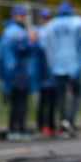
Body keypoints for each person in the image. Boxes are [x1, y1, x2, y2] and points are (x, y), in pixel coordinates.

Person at [42, 0, 81, 137]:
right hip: (74, 64)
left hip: (57, 65)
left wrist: (50, 65)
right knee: (76, 94)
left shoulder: (51, 25)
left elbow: (46, 46)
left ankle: (64, 120)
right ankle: (71, 119)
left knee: (60, 96)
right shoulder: (79, 22)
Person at [0, 6, 36, 140]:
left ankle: (13, 129)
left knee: (15, 102)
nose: (22, 18)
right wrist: (32, 40)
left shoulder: (6, 32)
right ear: (14, 16)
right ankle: (20, 130)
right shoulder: (17, 32)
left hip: (10, 72)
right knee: (21, 102)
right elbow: (25, 49)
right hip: (19, 71)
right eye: (21, 16)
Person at [32, 8, 56, 136]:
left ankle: (51, 124)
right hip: (42, 70)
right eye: (43, 18)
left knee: (52, 99)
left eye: (47, 18)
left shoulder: (51, 31)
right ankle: (42, 124)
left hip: (52, 69)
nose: (45, 20)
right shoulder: (36, 31)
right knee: (43, 99)